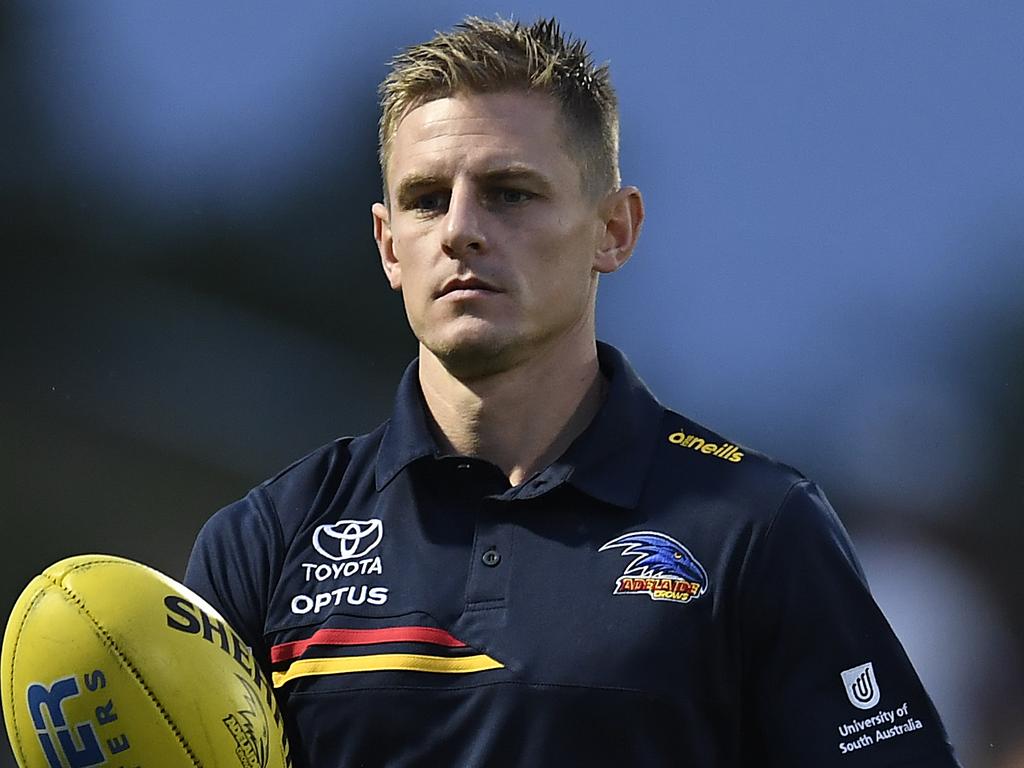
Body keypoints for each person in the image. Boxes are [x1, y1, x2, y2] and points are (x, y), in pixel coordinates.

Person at [185, 16, 962, 767]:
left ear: (613, 231)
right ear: (390, 246)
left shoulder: (755, 531)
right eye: (426, 199)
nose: (459, 229)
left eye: (510, 193)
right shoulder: (266, 543)